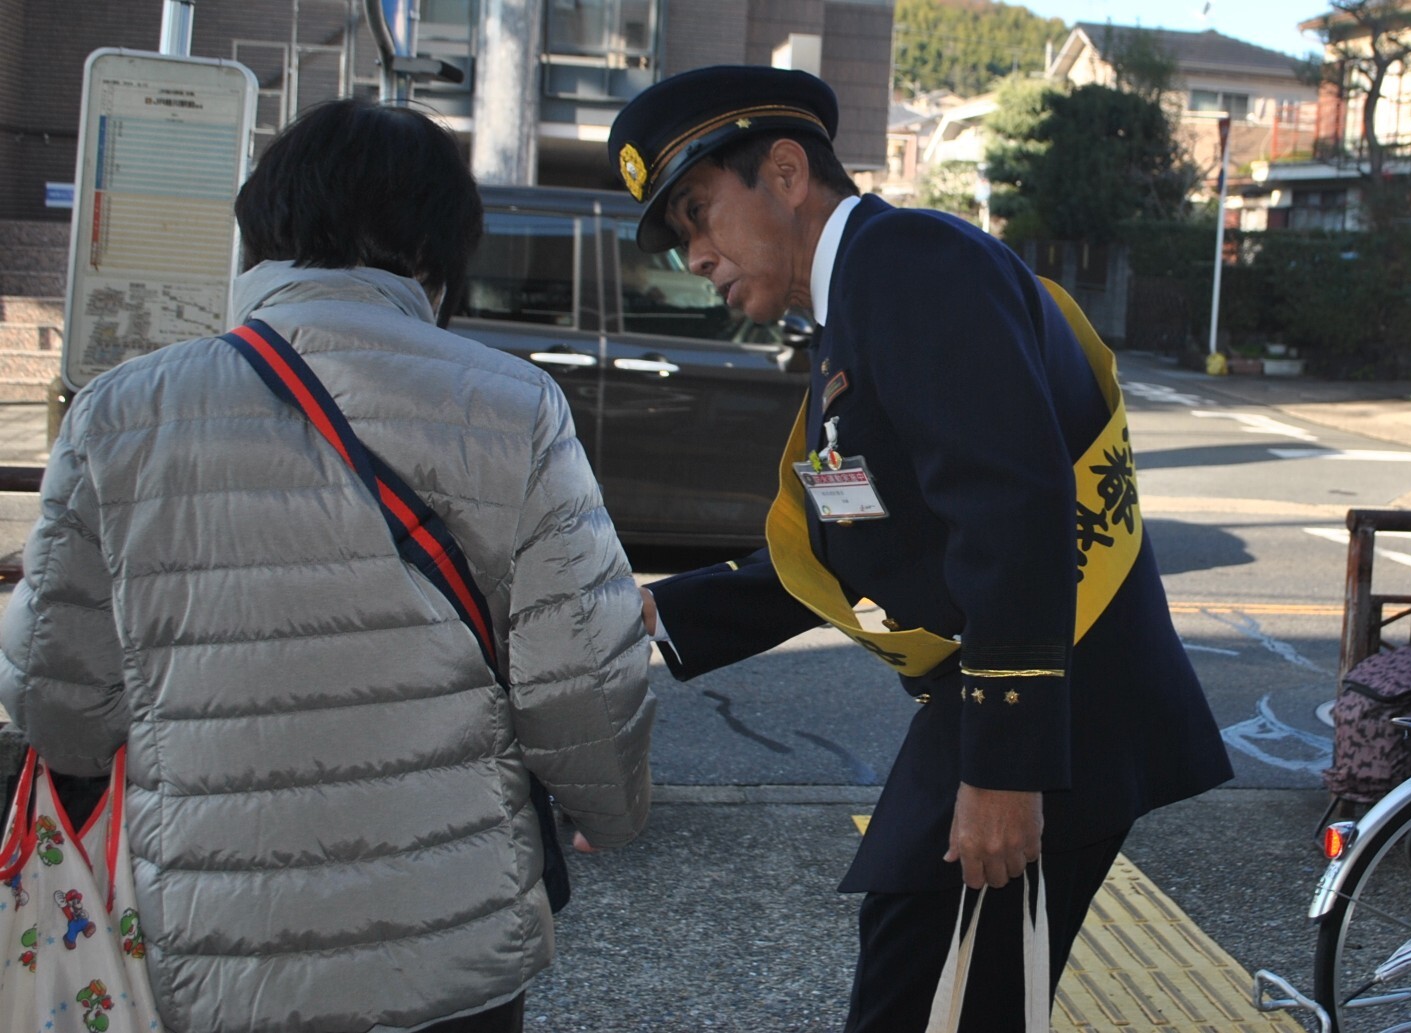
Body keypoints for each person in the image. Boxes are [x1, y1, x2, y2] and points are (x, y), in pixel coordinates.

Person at [0, 98, 656, 1033]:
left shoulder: (117, 415)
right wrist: (611, 809)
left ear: (262, 228)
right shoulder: (515, 406)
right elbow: (583, 679)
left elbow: (59, 706)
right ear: (434, 250)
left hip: (216, 940)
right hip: (448, 937)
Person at [607, 66, 1233, 1031]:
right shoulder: (863, 294)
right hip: (1026, 711)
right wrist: (660, 610)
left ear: (782, 172)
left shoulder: (908, 265)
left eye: (698, 212)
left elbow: (1011, 509)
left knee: (926, 999)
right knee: (933, 988)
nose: (694, 253)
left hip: (1046, 722)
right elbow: (856, 530)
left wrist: (1005, 770)